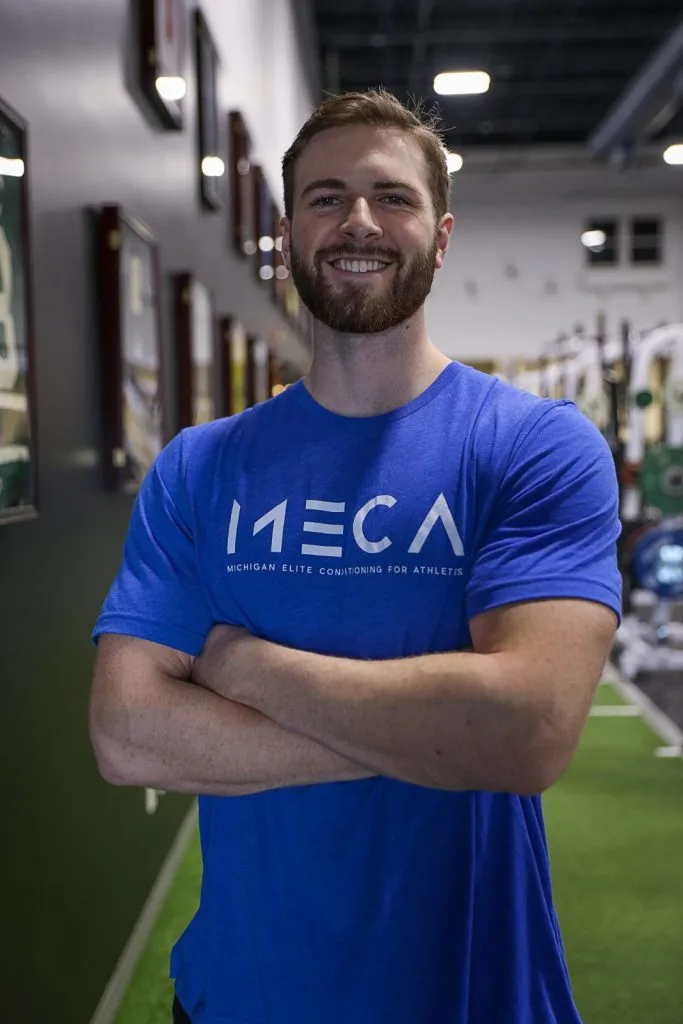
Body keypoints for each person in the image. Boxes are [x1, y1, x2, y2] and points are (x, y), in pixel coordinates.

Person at [89, 88, 621, 1024]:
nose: (358, 222)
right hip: (239, 994)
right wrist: (437, 737)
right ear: (289, 232)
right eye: (326, 197)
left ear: (442, 233)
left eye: (393, 197)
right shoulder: (199, 469)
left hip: (469, 992)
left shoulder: (532, 447)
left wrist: (236, 665)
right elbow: (128, 736)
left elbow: (527, 731)